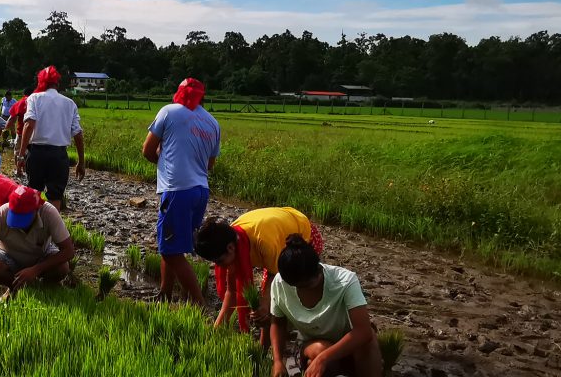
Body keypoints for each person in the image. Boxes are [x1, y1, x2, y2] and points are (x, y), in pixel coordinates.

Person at [140, 77, 220, 306]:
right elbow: (210, 165)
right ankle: (164, 293)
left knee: (170, 251)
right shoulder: (213, 123)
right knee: (174, 246)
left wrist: (164, 163)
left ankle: (198, 301)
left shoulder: (169, 111)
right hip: (200, 191)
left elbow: (147, 150)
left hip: (177, 190)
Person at [193, 208, 324, 337]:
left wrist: (265, 304)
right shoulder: (229, 237)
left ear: (231, 248)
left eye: (219, 261)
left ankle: (304, 327)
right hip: (274, 228)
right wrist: (217, 329)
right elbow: (232, 291)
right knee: (266, 301)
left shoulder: (265, 243)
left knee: (291, 288)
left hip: (301, 231)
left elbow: (275, 275)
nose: (218, 266)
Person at [269, 235, 381, 377]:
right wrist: (277, 361)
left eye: (307, 285)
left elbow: (363, 330)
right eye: (296, 286)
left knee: (368, 341)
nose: (302, 290)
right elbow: (277, 323)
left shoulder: (345, 281)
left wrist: (323, 359)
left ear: (317, 271)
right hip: (312, 345)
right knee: (321, 350)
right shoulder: (280, 283)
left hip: (348, 345)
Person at [0, 185, 75, 298]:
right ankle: (14, 287)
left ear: (36, 209)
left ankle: (39, 288)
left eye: (23, 217)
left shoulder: (49, 213)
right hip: (7, 255)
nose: (19, 224)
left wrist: (35, 270)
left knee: (62, 268)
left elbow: (69, 251)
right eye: (16, 215)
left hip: (40, 256)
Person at [16, 66, 85, 209]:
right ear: (57, 84)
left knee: (34, 192)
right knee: (55, 196)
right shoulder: (69, 103)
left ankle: (34, 227)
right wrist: (81, 161)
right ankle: (52, 228)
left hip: (37, 153)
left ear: (40, 82)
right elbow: (78, 134)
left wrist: (21, 155)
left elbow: (29, 125)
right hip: (59, 155)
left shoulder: (34, 98)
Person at [4, 87, 35, 154]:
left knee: (18, 152)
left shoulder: (20, 102)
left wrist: (5, 129)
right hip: (36, 134)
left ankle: (19, 161)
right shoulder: (39, 102)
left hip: (22, 133)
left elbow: (11, 119)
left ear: (24, 94)